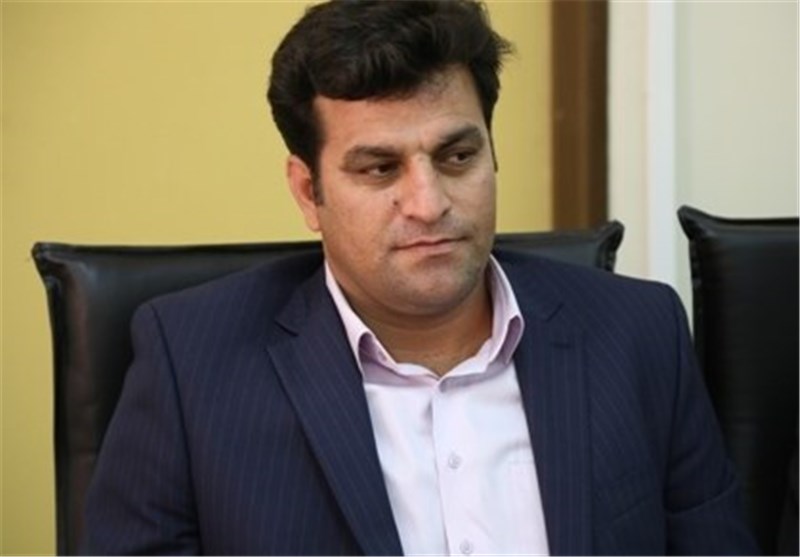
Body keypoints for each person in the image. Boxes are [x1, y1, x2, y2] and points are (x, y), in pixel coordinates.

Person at [83, 1, 759, 555]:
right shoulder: (191, 365)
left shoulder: (639, 333)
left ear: (492, 154)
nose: (428, 202)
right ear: (308, 191)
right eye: (380, 169)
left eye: (457, 156)